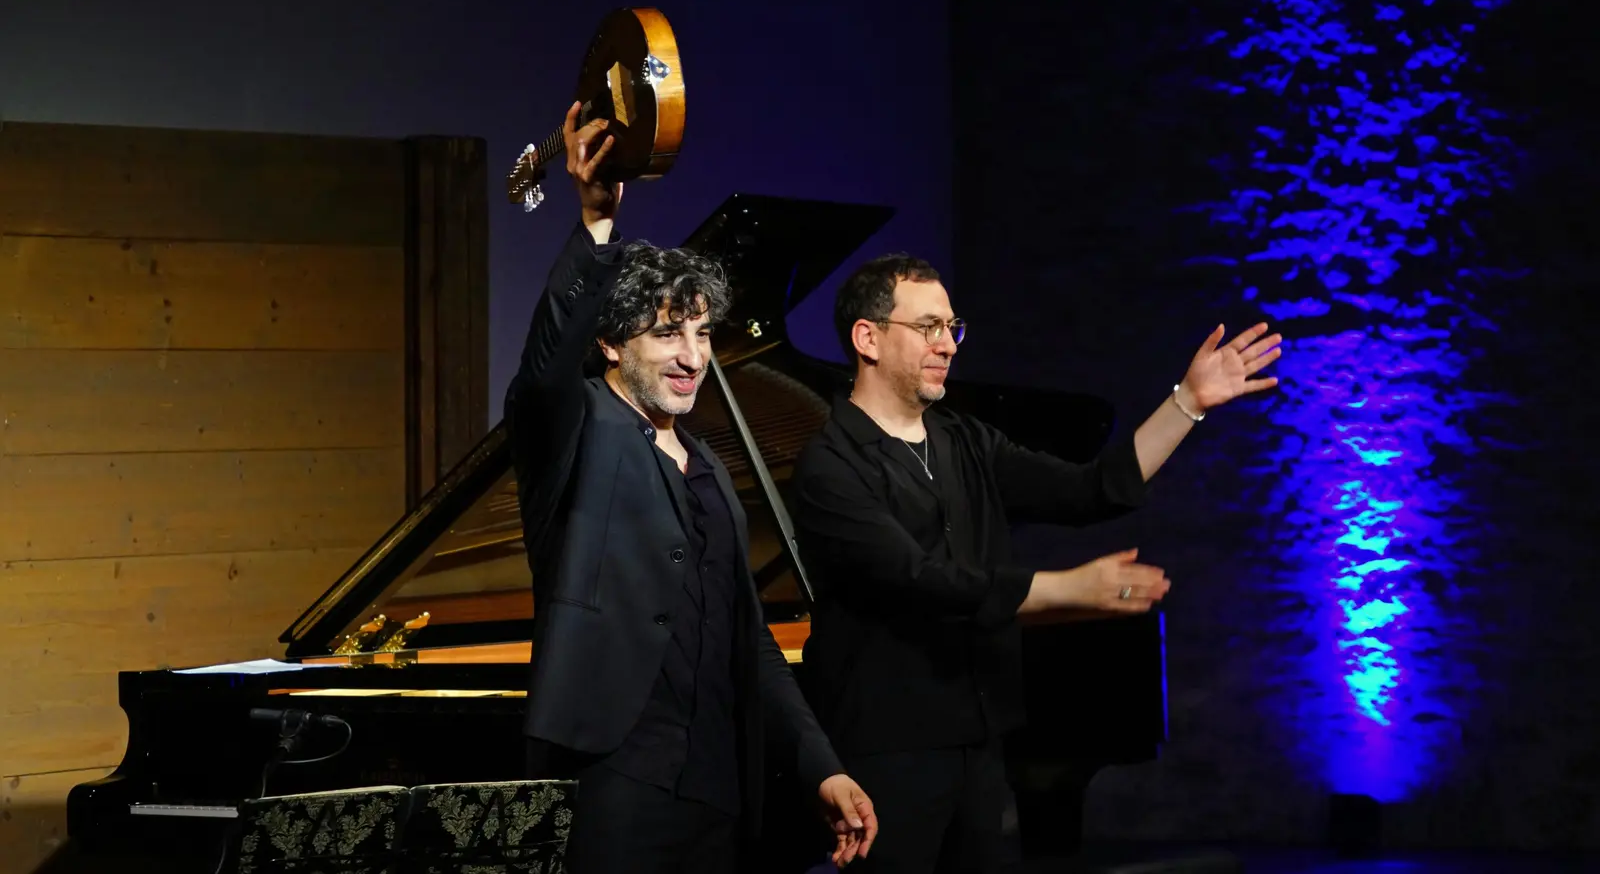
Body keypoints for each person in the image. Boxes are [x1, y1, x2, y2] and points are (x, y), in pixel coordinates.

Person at [790, 253, 1282, 872]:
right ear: (868, 338)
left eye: (952, 328)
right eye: (928, 328)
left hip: (979, 736)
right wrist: (1067, 588)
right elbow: (920, 580)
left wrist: (1189, 401)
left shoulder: (964, 439)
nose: (947, 344)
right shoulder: (830, 464)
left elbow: (1090, 489)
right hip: (887, 748)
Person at [504, 102, 878, 873]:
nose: (691, 356)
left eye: (702, 333)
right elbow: (545, 370)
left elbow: (750, 639)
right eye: (667, 332)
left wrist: (822, 765)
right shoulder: (573, 430)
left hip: (720, 787)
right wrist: (597, 225)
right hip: (611, 780)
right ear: (610, 341)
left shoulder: (708, 463)